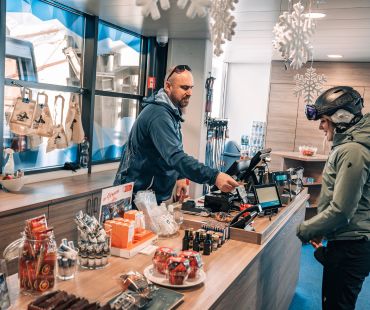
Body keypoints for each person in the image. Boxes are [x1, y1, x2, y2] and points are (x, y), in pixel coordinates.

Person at [114, 65, 239, 203]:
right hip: (134, 197)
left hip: (147, 197)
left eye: (191, 87)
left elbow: (169, 151)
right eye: (184, 88)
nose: (190, 92)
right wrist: (214, 176)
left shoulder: (170, 112)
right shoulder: (159, 115)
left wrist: (179, 177)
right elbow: (175, 156)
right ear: (168, 86)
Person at [296, 86, 370, 310]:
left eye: (324, 121)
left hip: (351, 247)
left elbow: (341, 210)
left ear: (342, 119)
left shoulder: (353, 151)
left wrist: (305, 229)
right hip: (347, 243)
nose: (320, 126)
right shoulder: (347, 147)